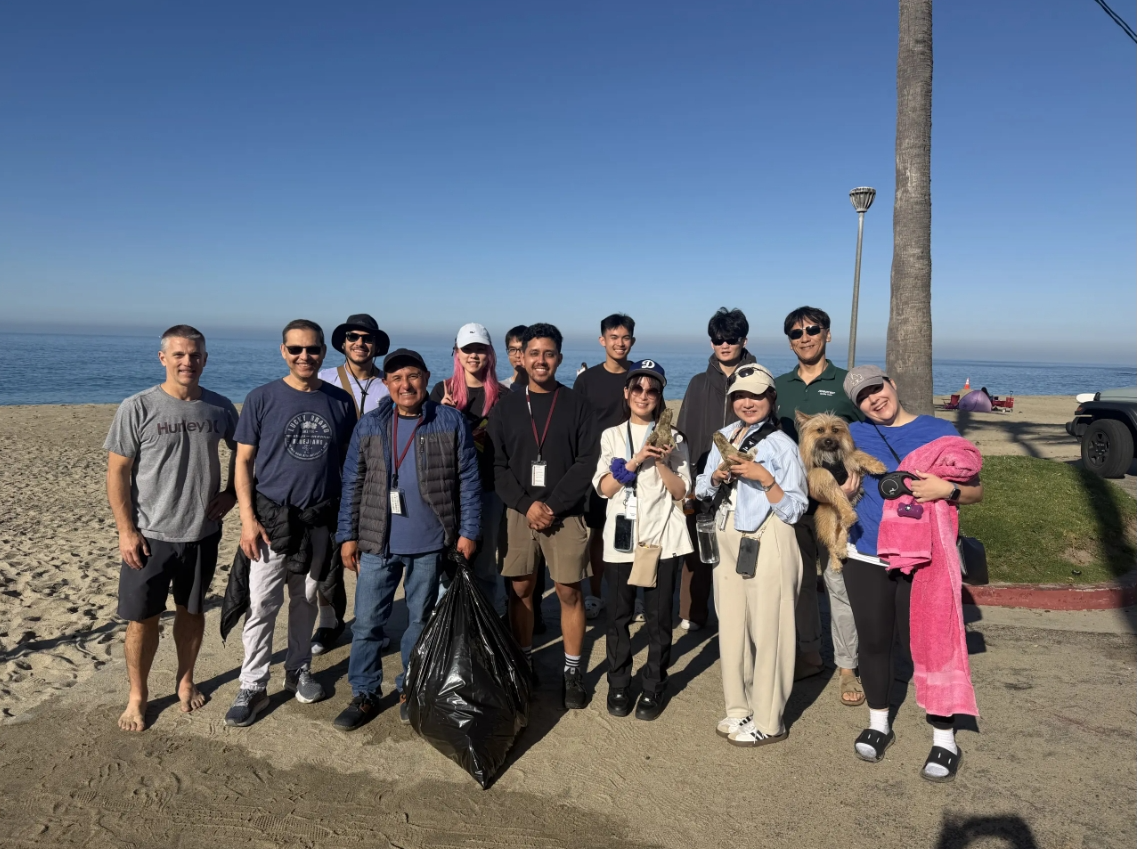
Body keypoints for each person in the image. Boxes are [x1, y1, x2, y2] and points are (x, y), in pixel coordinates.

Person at [841, 365, 982, 782]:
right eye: (863, 397)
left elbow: (976, 491)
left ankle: (944, 739)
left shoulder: (938, 429)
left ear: (893, 384)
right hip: (866, 553)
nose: (873, 399)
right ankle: (879, 722)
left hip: (926, 559)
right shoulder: (853, 436)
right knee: (874, 641)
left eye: (877, 388)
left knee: (930, 644)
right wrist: (842, 492)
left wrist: (947, 490)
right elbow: (823, 481)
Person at [333, 348, 481, 729]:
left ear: (426, 378)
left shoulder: (449, 421)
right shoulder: (370, 424)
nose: (405, 384)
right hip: (377, 541)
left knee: (420, 619)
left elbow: (468, 479)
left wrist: (468, 532)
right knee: (366, 623)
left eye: (412, 376)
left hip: (431, 544)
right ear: (386, 384)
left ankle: (409, 686)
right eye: (396, 378)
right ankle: (364, 692)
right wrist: (347, 536)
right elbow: (353, 482)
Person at [104, 325, 239, 731]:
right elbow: (117, 472)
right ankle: (137, 695)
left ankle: (185, 679)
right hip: (150, 536)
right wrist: (125, 530)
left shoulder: (219, 408)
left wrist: (232, 493)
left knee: (191, 611)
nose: (187, 362)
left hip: (201, 532)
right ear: (163, 358)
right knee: (142, 619)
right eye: (178, 355)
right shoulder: (138, 407)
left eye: (195, 355)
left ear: (205, 359)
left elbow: (245, 452)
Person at [224, 320, 355, 728]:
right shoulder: (262, 398)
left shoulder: (339, 401)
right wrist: (247, 522)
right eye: (296, 349)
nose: (305, 356)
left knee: (305, 602)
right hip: (270, 521)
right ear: (283, 351)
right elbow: (242, 462)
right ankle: (252, 683)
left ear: (323, 353)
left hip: (318, 521)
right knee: (262, 604)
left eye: (312, 349)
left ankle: (298, 669)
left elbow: (351, 466)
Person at [488, 323, 600, 709]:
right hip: (520, 511)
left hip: (565, 513)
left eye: (548, 353)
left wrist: (552, 504)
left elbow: (588, 461)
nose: (540, 360)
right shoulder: (505, 407)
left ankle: (572, 669)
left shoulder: (576, 405)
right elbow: (498, 467)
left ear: (559, 359)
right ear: (521, 356)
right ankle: (524, 661)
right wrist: (526, 505)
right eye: (533, 353)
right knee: (520, 589)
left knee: (569, 590)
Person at [695, 364, 808, 746]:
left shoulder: (782, 445)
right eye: (740, 395)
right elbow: (701, 488)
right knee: (732, 626)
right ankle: (738, 708)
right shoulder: (725, 436)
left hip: (768, 537)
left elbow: (795, 508)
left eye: (756, 395)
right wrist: (714, 478)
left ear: (771, 399)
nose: (747, 402)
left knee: (770, 629)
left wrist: (765, 478)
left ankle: (769, 719)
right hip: (728, 537)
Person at [773, 306, 866, 705]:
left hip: (837, 498)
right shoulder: (779, 385)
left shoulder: (846, 383)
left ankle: (847, 667)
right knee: (799, 585)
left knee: (838, 583)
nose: (804, 337)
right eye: (796, 333)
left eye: (812, 330)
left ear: (827, 334)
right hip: (793, 502)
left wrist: (857, 473)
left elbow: (871, 430)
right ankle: (810, 655)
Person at [593, 361, 692, 721]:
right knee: (618, 615)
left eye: (652, 390)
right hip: (621, 538)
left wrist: (663, 462)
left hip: (661, 537)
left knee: (658, 617)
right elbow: (605, 488)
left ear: (659, 396)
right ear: (627, 393)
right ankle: (618, 681)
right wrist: (635, 460)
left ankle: (654, 683)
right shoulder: (611, 436)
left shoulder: (675, 437)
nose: (644, 395)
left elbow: (682, 492)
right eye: (638, 388)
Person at [311, 313, 393, 656]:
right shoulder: (323, 379)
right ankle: (329, 620)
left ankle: (370, 624)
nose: (360, 343)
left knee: (370, 555)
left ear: (376, 345)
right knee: (326, 557)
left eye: (367, 338)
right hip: (329, 481)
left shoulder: (389, 384)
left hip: (376, 483)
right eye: (353, 337)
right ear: (343, 343)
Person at [675, 307, 756, 632]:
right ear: (711, 343)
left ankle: (738, 618)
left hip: (745, 484)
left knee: (741, 550)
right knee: (697, 551)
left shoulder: (758, 379)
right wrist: (688, 481)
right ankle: (692, 612)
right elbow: (683, 433)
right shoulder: (697, 383)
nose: (724, 345)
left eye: (731, 339)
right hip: (701, 481)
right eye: (718, 339)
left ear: (743, 340)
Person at [430, 323, 505, 611]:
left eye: (480, 349)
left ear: (490, 354)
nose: (474, 355)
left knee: (485, 564)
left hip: (488, 489)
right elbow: (430, 447)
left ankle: (487, 622)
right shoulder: (442, 391)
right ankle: (445, 621)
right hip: (448, 492)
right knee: (446, 562)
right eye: (467, 349)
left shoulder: (503, 396)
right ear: (457, 354)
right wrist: (444, 416)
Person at [574, 314, 636, 619]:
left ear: (632, 341)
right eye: (614, 337)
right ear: (603, 341)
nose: (620, 343)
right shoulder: (586, 380)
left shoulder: (639, 374)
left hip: (636, 466)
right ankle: (596, 594)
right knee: (597, 534)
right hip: (599, 471)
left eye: (625, 338)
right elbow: (576, 425)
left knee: (632, 530)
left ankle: (629, 597)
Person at [501, 325, 529, 389]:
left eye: (522, 349)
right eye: (512, 350)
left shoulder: (542, 389)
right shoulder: (501, 389)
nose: (517, 355)